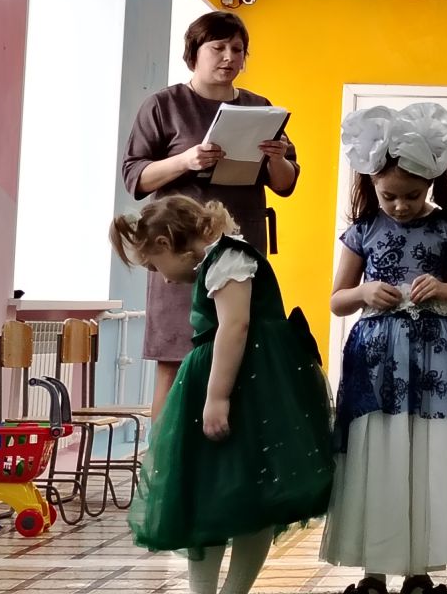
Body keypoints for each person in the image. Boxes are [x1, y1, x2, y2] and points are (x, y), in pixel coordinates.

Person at [109, 195, 331, 594]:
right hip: (228, 383)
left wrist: (217, 398)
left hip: (249, 389)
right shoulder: (218, 261)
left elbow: (235, 326)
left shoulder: (229, 259)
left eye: (155, 266)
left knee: (256, 493)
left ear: (165, 243)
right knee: (208, 494)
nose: (162, 279)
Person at [321, 103, 447, 594]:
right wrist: (364, 293)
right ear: (371, 183)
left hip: (437, 355)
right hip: (375, 361)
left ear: (432, 182)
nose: (400, 206)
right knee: (378, 450)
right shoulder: (363, 230)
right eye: (389, 195)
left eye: (412, 195)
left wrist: (445, 289)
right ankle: (372, 573)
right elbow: (336, 300)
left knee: (428, 451)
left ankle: (420, 571)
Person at [121, 10, 297, 420]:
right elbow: (135, 177)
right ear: (194, 53)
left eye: (238, 49)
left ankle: (224, 451)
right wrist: (186, 160)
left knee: (239, 357)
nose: (229, 57)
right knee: (175, 363)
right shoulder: (163, 105)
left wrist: (276, 158)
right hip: (179, 251)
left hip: (239, 247)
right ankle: (164, 455)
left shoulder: (260, 108)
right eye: (218, 47)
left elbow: (286, 184)